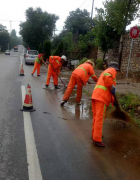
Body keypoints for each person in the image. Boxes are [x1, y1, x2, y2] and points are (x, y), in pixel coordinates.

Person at [91, 62, 119, 147]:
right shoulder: (111, 70)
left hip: (96, 96)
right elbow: (107, 77)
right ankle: (97, 139)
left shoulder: (106, 71)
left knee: (96, 117)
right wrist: (111, 85)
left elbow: (109, 91)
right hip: (101, 97)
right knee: (100, 118)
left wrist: (113, 101)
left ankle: (95, 134)